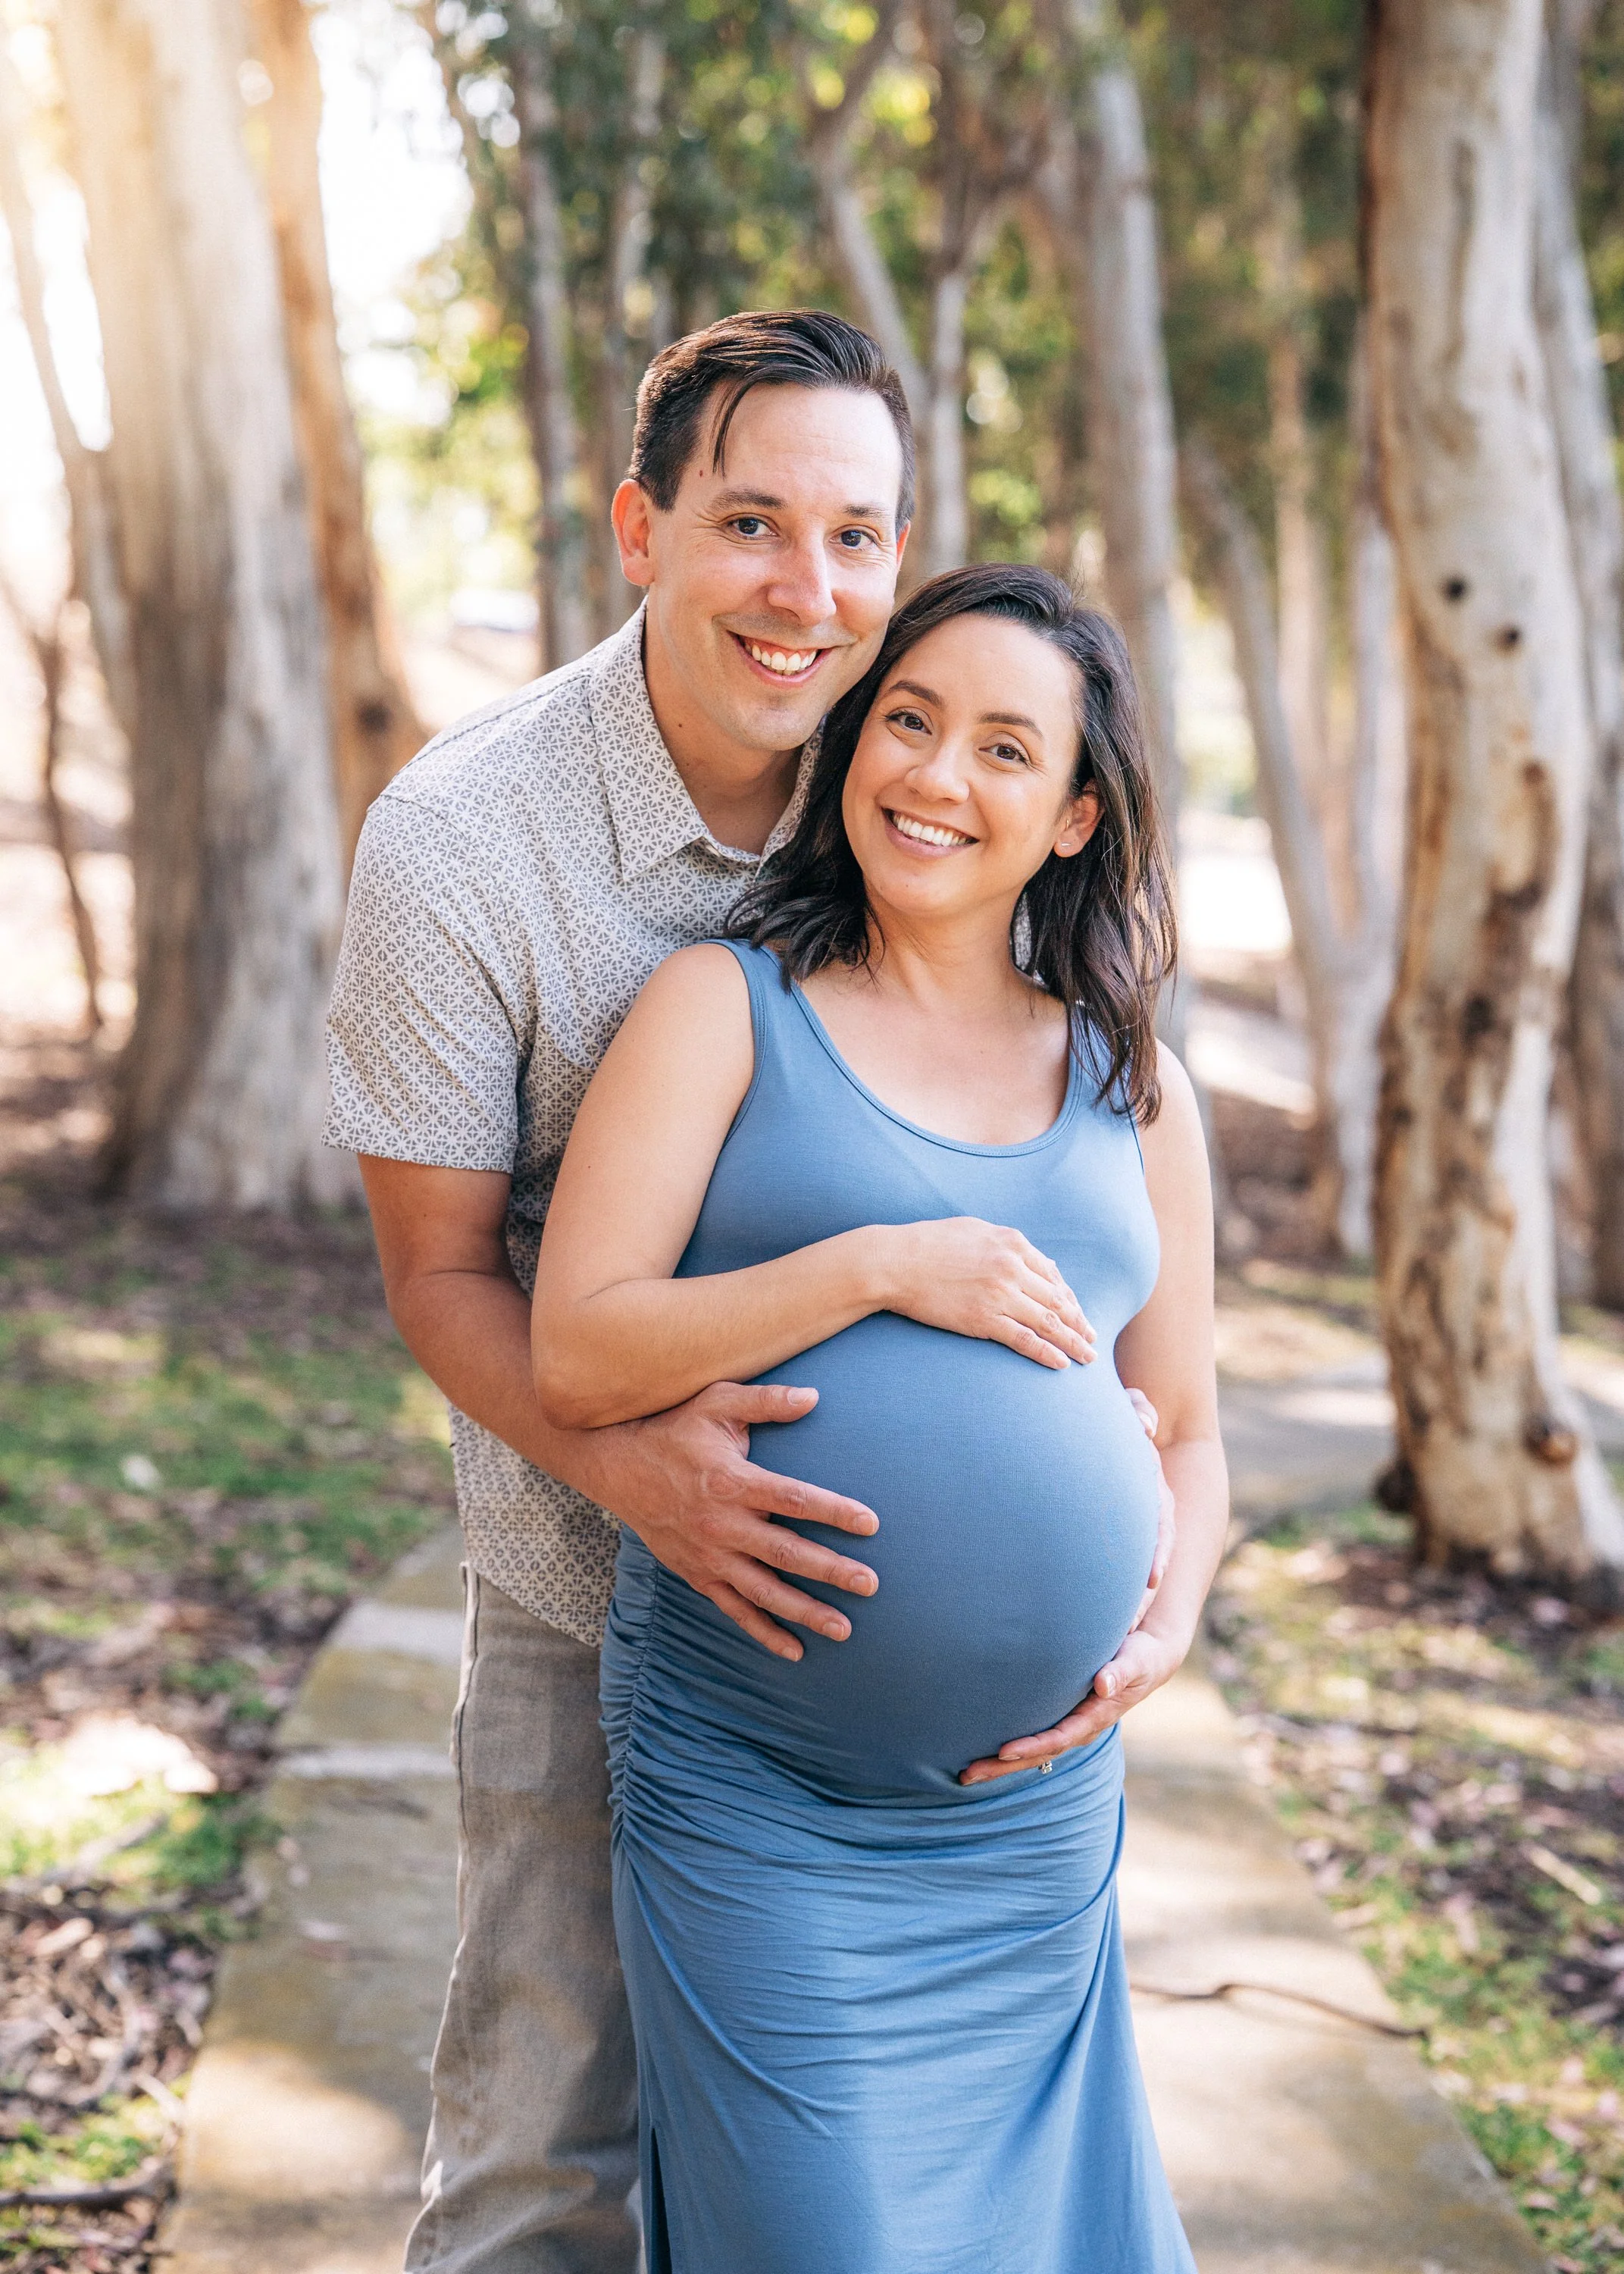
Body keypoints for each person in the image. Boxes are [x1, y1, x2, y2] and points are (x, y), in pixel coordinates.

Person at [326, 310, 1184, 2273]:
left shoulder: (910, 769)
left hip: (981, 1792)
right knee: (548, 2152)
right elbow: (441, 1275)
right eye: (748, 523)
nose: (807, 592)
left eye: (857, 536)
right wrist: (635, 1478)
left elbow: (1096, 1186)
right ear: (639, 525)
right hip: (596, 1598)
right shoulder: (464, 846)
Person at [530, 562, 1228, 2272]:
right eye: (908, 721)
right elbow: (579, 1348)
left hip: (1030, 1827)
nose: (934, 774)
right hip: (764, 1794)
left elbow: (1188, 1426)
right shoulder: (724, 1008)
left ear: (1073, 818)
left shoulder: (1132, 1083)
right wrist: (876, 1265)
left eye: (1003, 748)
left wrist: (1172, 1620)